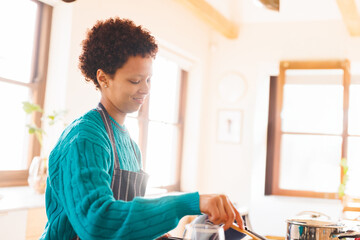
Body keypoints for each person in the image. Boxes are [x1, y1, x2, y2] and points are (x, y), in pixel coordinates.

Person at [40, 17, 243, 240]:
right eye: (135, 81)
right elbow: (97, 224)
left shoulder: (130, 146)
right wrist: (190, 202)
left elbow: (128, 224)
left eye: (148, 79)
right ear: (103, 78)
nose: (145, 89)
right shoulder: (84, 139)